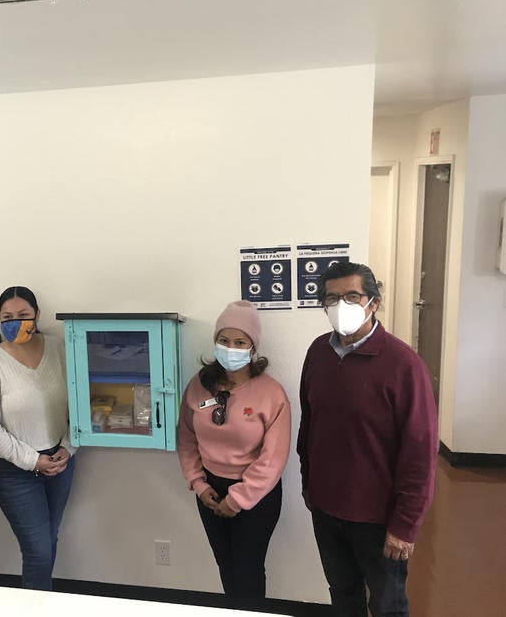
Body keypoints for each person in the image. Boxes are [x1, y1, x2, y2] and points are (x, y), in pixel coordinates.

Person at [297, 261, 438, 617]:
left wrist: (405, 525)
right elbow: (309, 425)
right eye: (331, 298)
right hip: (326, 509)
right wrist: (309, 485)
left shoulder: (404, 365)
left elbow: (420, 452)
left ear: (373, 302)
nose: (340, 305)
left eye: (352, 296)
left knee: (388, 605)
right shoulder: (317, 353)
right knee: (343, 596)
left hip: (379, 518)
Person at [177, 300, 290, 611]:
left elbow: (274, 457)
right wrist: (198, 485)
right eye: (223, 340)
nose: (231, 348)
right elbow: (186, 438)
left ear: (253, 347)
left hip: (256, 494)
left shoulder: (271, 393)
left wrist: (239, 498)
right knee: (225, 567)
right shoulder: (199, 386)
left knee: (248, 570)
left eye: (240, 342)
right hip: (210, 490)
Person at [0, 286, 75, 591]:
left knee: (49, 539)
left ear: (37, 315)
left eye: (24, 315)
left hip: (60, 462)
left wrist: (68, 447)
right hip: (13, 470)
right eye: (7, 317)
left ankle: (40, 600)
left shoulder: (61, 349)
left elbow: (84, 403)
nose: (15, 322)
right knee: (38, 550)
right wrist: (32, 460)